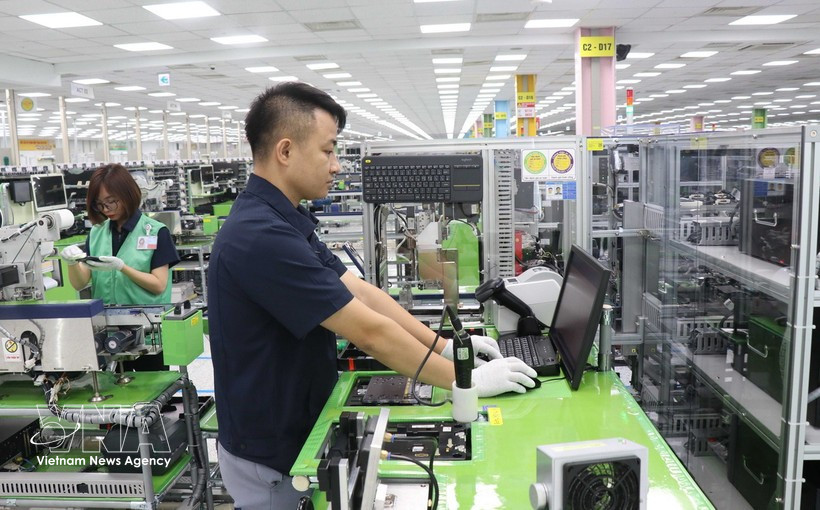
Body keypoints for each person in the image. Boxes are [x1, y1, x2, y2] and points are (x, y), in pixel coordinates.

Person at [207, 82, 537, 509]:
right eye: (328, 151)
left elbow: (362, 293)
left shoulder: (284, 220)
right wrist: (463, 381)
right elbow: (369, 332)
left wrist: (449, 346)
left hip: (297, 429)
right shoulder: (258, 236)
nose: (337, 165)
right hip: (271, 458)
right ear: (285, 151)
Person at [59, 163, 179, 305]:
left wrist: (123, 268)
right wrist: (72, 263)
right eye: (100, 204)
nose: (106, 209)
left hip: (146, 320)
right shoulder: (97, 233)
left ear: (127, 194)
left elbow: (159, 285)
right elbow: (80, 284)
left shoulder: (156, 231)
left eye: (111, 202)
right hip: (106, 321)